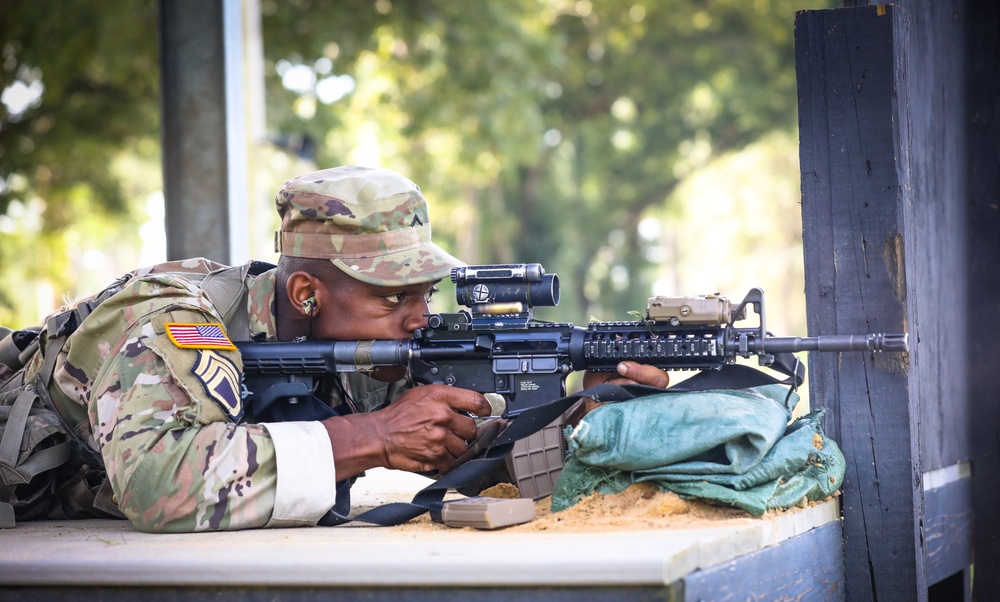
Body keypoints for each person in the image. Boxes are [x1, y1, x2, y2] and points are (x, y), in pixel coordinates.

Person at [1, 165, 667, 532]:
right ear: (307, 291)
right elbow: (156, 483)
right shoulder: (172, 318)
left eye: (425, 293)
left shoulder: (367, 351)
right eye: (392, 296)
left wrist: (584, 408)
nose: (418, 318)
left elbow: (469, 442)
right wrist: (371, 437)